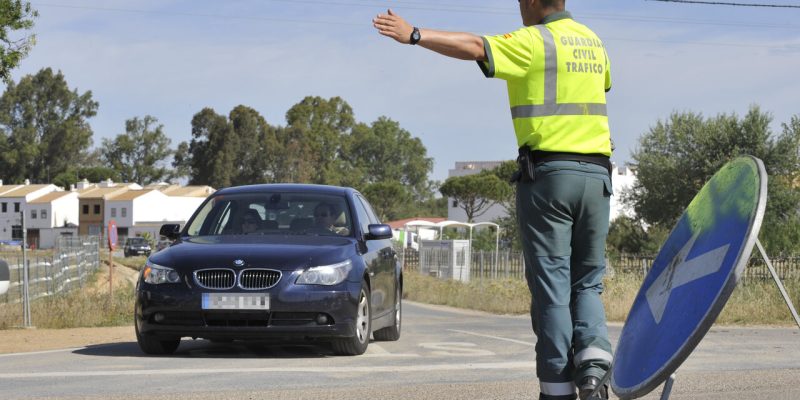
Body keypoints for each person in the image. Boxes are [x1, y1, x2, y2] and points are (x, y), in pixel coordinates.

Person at [373, 2, 613, 399]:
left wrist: (415, 34)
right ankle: (594, 368)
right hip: (598, 177)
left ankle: (557, 390)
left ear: (534, 2)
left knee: (552, 287)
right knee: (588, 281)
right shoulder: (594, 42)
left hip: (550, 177)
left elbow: (475, 46)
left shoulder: (535, 41)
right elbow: (600, 86)